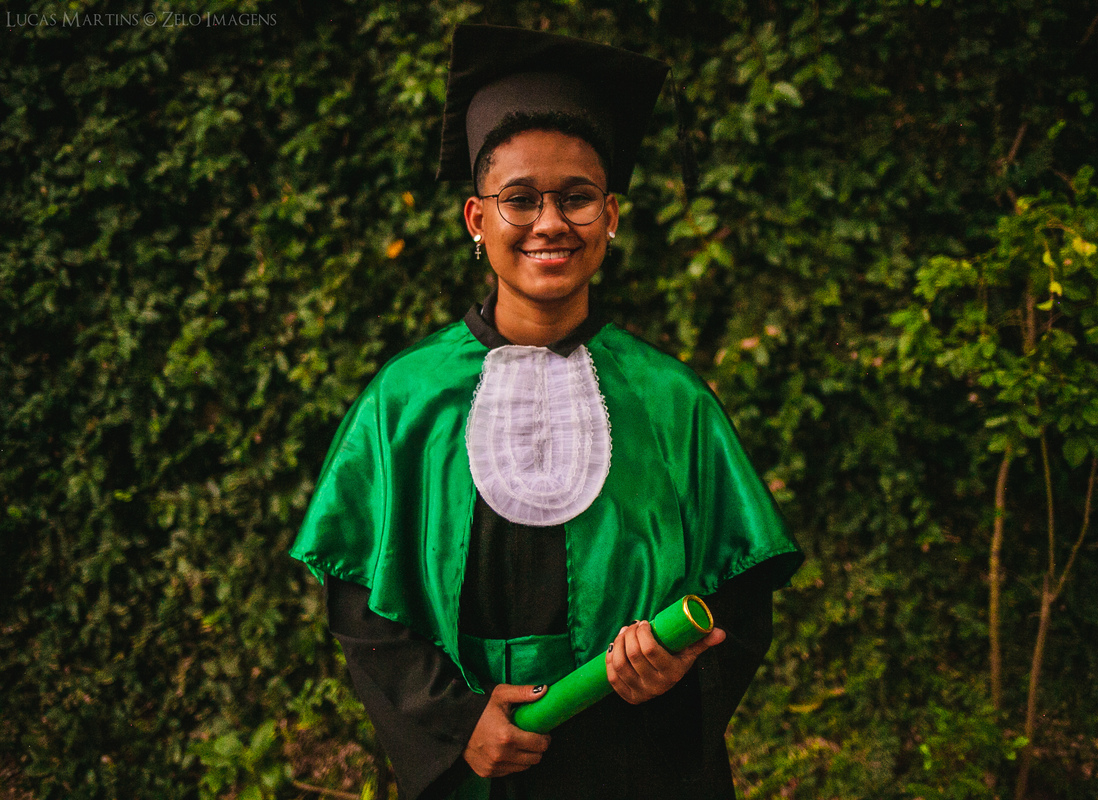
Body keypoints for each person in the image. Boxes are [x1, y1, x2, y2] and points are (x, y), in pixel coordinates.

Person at [290, 24, 802, 800]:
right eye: (518, 199)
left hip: (639, 763)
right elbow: (362, 604)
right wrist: (459, 724)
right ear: (475, 218)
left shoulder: (672, 401)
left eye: (578, 198)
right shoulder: (405, 398)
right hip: (483, 763)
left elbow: (741, 590)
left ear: (613, 216)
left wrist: (680, 665)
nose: (550, 223)